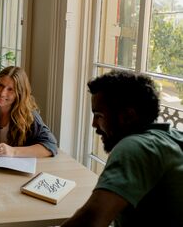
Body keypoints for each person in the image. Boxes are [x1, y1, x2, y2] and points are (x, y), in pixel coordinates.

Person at [61, 70, 183, 227]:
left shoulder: (136, 147)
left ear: (128, 116)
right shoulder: (173, 137)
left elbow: (90, 220)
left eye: (99, 116)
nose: (94, 125)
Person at [0, 66, 58, 158]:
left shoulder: (29, 115)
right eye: (0, 85)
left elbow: (50, 145)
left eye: (10, 89)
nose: (2, 93)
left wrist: (13, 151)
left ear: (19, 94)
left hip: (13, 170)